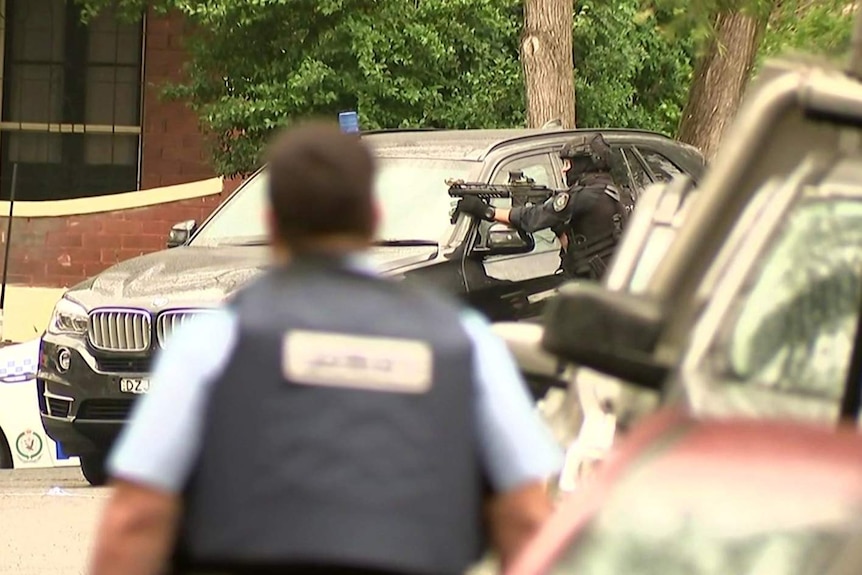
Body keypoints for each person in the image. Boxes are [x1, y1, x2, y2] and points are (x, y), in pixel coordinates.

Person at [87, 121, 564, 575]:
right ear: (373, 216)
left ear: (272, 222)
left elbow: (135, 520)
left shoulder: (213, 345)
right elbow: (526, 520)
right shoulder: (465, 345)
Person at [457, 133, 631, 281]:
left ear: (583, 163)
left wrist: (486, 211)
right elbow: (573, 244)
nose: (563, 170)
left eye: (568, 164)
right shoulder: (612, 191)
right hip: (611, 284)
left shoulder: (585, 196)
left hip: (597, 291)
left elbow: (532, 218)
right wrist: (559, 227)